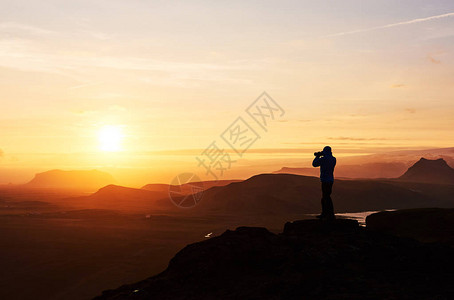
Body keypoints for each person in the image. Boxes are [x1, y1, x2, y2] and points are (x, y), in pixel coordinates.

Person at [312, 146, 336, 220]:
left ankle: (328, 214)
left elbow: (314, 164)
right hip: (330, 180)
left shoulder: (324, 159)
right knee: (326, 197)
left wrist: (317, 156)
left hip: (325, 180)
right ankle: (327, 213)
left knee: (326, 197)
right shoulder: (333, 159)